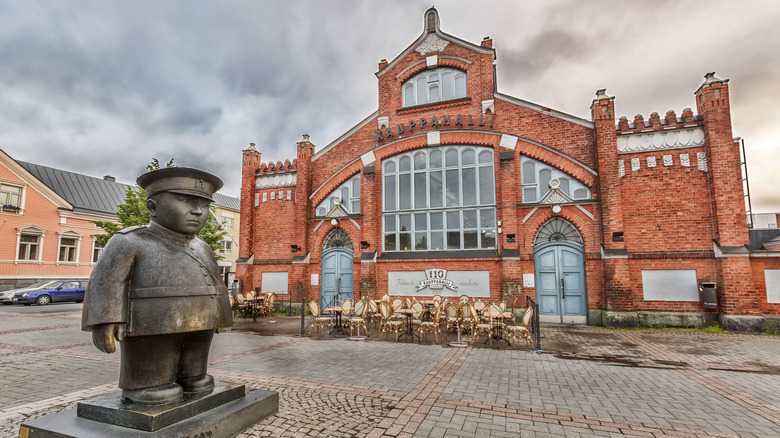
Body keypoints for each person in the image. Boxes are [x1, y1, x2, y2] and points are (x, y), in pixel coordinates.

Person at [82, 167, 233, 405]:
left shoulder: (202, 246)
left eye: (204, 205)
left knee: (197, 352)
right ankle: (147, 382)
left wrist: (219, 314)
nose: (197, 211)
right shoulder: (130, 240)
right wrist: (105, 320)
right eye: (186, 202)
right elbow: (107, 281)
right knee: (155, 355)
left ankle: (192, 375)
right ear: (153, 207)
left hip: (201, 318)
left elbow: (215, 280)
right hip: (151, 323)